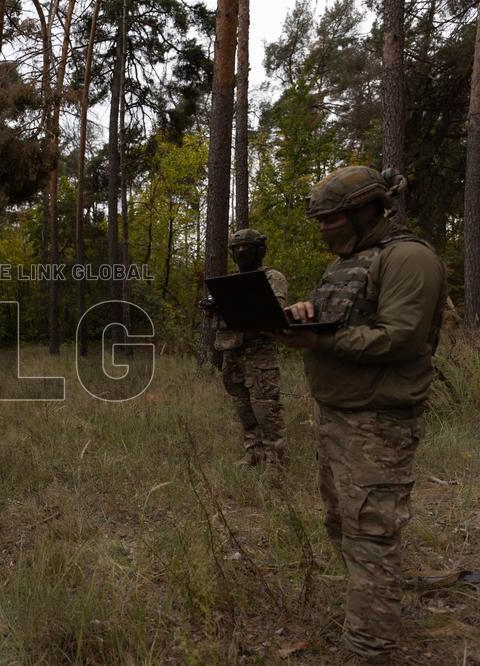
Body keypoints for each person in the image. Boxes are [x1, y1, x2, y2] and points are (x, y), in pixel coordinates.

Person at [273, 166, 445, 661]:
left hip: (378, 422)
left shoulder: (408, 258)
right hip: (339, 415)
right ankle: (369, 615)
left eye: (329, 218)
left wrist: (320, 339)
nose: (322, 228)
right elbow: (347, 320)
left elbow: (400, 337)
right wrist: (307, 312)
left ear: (365, 210)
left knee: (371, 534)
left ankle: (368, 648)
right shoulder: (349, 263)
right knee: (342, 524)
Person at [215, 229, 289, 467]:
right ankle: (253, 451)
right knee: (243, 406)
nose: (241, 252)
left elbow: (274, 311)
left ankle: (275, 459)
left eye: (246, 247)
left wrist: (241, 307)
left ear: (259, 250)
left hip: (259, 351)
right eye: (236, 249)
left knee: (266, 406)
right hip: (232, 351)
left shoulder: (272, 277)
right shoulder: (228, 281)